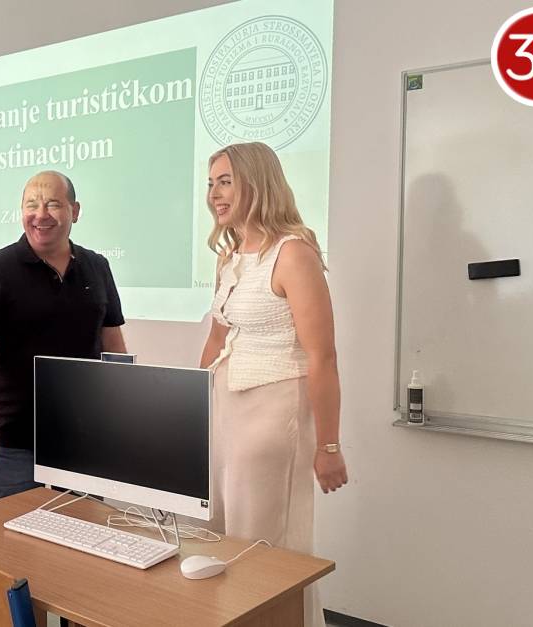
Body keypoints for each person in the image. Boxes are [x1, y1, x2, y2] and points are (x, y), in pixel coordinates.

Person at [199, 142, 348, 627]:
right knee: (219, 537)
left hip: (275, 412)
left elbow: (322, 357)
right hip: (225, 411)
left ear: (257, 183)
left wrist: (328, 446)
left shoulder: (293, 254)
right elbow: (216, 338)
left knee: (262, 548)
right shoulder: (230, 258)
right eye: (211, 183)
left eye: (226, 182)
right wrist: (191, 410)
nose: (215, 194)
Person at [0, 170, 127, 500]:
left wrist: (124, 413)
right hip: (14, 438)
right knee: (6, 529)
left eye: (53, 204)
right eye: (31, 205)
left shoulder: (97, 267)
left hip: (84, 433)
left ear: (74, 211)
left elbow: (113, 345)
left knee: (83, 526)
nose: (41, 215)